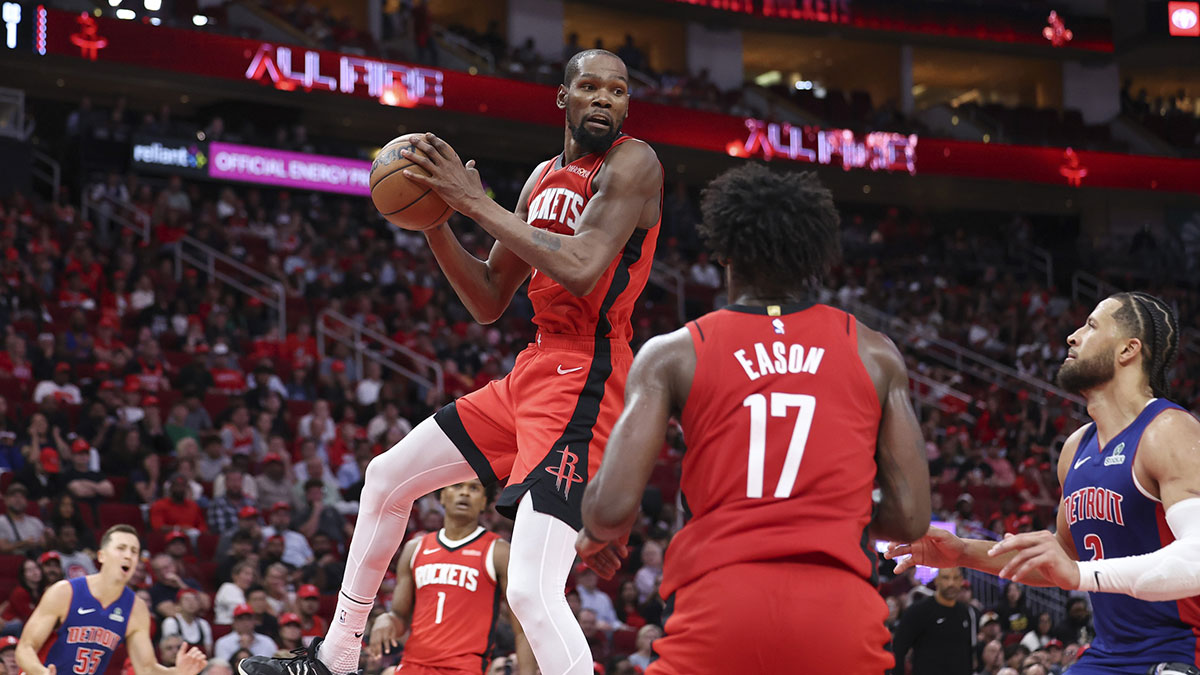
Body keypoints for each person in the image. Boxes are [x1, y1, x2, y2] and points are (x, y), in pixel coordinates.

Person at [241, 47, 662, 675]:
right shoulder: (542, 178)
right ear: (563, 98)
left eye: (619, 91)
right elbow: (490, 297)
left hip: (589, 375)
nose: (606, 99)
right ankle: (334, 657)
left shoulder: (634, 163)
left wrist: (473, 203)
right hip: (534, 368)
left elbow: (580, 267)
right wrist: (438, 219)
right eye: (592, 87)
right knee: (385, 478)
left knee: (530, 590)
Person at [574, 164, 931, 675]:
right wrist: (827, 507)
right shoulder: (876, 353)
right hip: (838, 612)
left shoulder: (674, 353)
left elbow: (610, 508)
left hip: (721, 601)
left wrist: (594, 529)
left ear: (723, 251)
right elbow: (911, 519)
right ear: (813, 257)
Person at [888, 292, 1200, 673]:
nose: (1072, 336)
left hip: (1181, 653)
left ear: (1128, 350)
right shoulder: (1075, 448)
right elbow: (1064, 560)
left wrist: (1081, 575)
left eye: (1091, 325)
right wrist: (962, 552)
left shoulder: (1169, 430)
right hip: (1107, 654)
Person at [367, 480, 535, 675]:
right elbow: (399, 616)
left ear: (484, 502)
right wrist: (386, 620)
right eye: (457, 486)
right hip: (413, 666)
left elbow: (522, 630)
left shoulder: (498, 551)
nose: (464, 493)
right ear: (442, 497)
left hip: (464, 668)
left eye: (474, 488)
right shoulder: (416, 548)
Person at [15, 524, 208, 674]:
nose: (128, 555)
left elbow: (146, 669)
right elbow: (25, 647)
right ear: (101, 556)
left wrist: (178, 672)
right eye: (121, 548)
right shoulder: (65, 592)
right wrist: (40, 672)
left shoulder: (136, 608)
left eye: (134, 551)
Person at [890, 567, 979, 675]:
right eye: (946, 578)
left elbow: (969, 654)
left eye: (955, 578)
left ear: (961, 581)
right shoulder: (918, 611)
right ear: (936, 580)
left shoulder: (967, 613)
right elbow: (899, 649)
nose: (951, 583)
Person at [161, 589, 214, 656]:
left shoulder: (203, 624)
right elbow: (169, 649)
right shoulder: (171, 622)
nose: (191, 603)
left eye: (194, 599)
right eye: (186, 600)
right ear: (178, 605)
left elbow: (208, 650)